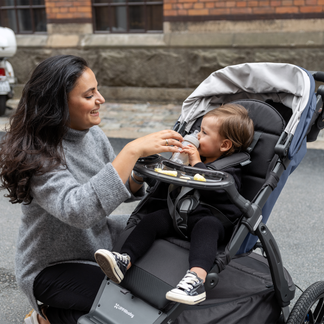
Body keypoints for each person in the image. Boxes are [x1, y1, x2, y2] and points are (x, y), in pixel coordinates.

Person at [0, 55, 184, 324]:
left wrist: (141, 172)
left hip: (98, 246)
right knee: (128, 306)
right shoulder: (36, 154)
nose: (101, 99)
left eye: (97, 89)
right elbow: (80, 210)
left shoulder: (93, 135)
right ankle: (46, 316)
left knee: (158, 239)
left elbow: (113, 185)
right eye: (89, 95)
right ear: (59, 104)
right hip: (51, 267)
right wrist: (131, 150)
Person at [94, 103, 254, 305]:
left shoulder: (231, 169)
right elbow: (167, 183)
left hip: (211, 219)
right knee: (152, 220)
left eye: (203, 133)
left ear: (225, 146)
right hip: (180, 215)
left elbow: (219, 191)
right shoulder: (191, 157)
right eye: (198, 130)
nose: (196, 136)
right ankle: (124, 260)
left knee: (207, 226)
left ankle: (196, 279)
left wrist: (197, 164)